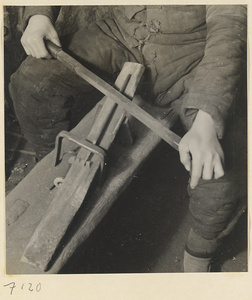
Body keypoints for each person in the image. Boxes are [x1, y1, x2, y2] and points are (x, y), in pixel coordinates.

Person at [9, 5, 247, 272]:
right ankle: (54, 169)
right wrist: (39, 14)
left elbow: (229, 27)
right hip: (122, 34)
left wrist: (206, 120)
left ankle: (200, 252)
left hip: (197, 53)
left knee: (220, 163)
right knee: (31, 82)